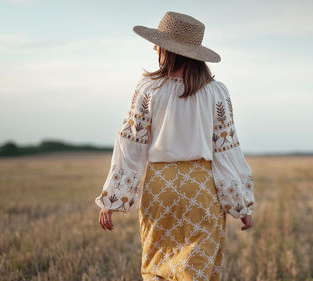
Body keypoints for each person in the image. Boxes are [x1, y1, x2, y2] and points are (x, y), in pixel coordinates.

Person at [94, 11, 255, 281]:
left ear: (168, 50)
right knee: (198, 269)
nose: (154, 47)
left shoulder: (148, 88)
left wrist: (111, 198)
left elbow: (130, 146)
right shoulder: (217, 92)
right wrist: (241, 206)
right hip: (201, 188)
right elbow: (227, 152)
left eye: (158, 43)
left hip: (160, 187)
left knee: (157, 265)